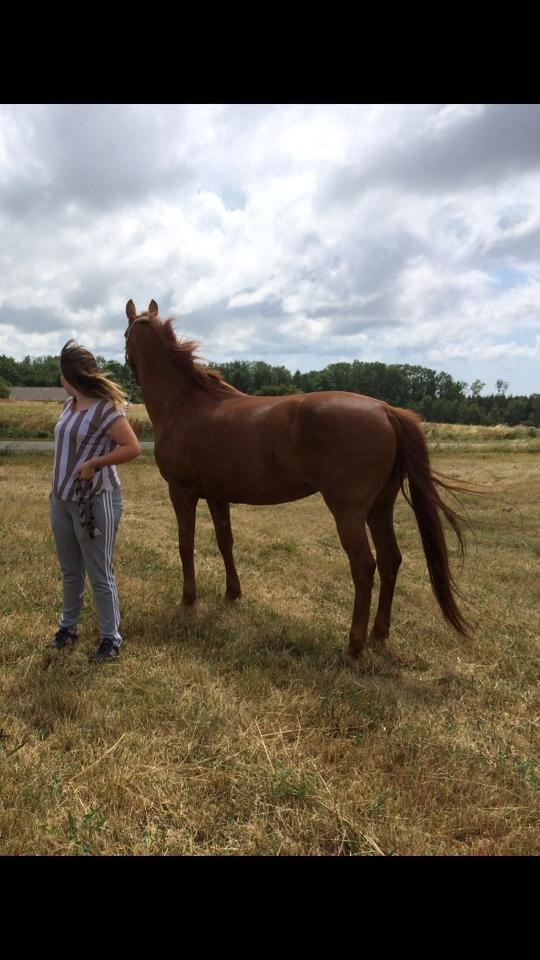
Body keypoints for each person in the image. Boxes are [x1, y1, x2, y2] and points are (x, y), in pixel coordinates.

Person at [49, 339, 141, 661]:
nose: (59, 380)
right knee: (71, 570)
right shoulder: (70, 404)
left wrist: (94, 464)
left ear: (71, 375)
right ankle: (68, 629)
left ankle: (110, 638)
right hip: (61, 499)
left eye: (61, 374)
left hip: (93, 502)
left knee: (100, 571)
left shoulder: (105, 408)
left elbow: (132, 448)